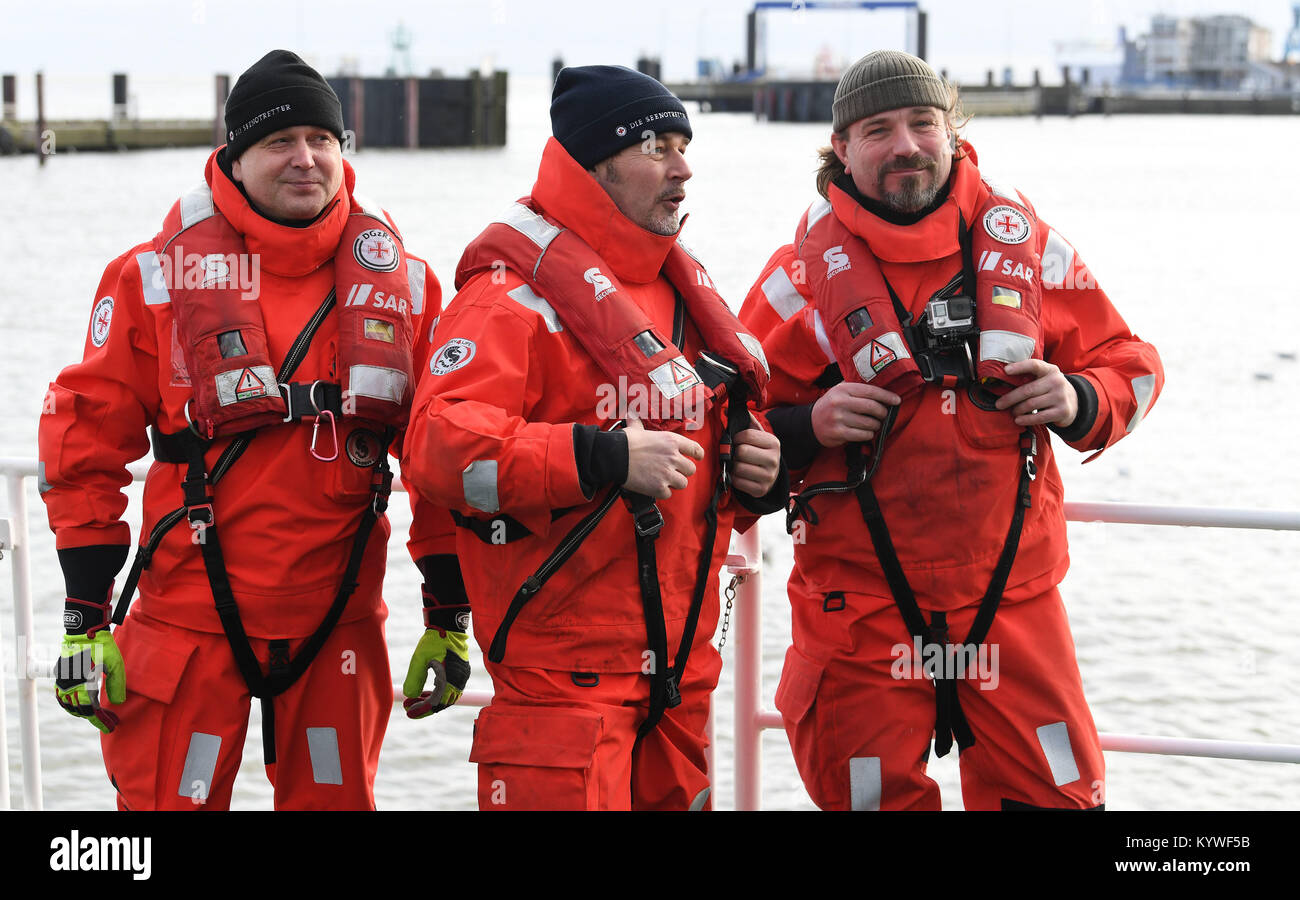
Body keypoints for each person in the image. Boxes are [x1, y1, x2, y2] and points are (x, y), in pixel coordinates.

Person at [739, 50, 1164, 810]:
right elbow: (729, 434)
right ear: (840, 148)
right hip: (858, 613)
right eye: (878, 129)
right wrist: (810, 423)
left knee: (1057, 797)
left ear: (952, 131)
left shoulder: (1030, 250)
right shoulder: (795, 280)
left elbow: (1132, 363)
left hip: (1013, 600)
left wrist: (1078, 398)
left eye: (922, 123)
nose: (905, 144)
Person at [39, 49, 454, 810]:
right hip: (188, 629)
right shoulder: (151, 279)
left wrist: (450, 611)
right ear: (234, 158)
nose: (306, 159)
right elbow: (83, 443)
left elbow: (443, 456)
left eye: (322, 140)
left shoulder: (408, 284)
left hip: (339, 625)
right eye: (279, 141)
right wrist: (83, 615)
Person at [400, 65, 785, 810]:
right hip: (561, 686)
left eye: (682, 144)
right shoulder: (508, 304)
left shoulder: (679, 296)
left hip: (677, 677)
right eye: (654, 146)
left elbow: (703, 481)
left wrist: (755, 474)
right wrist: (599, 456)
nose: (682, 167)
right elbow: (440, 452)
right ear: (591, 165)